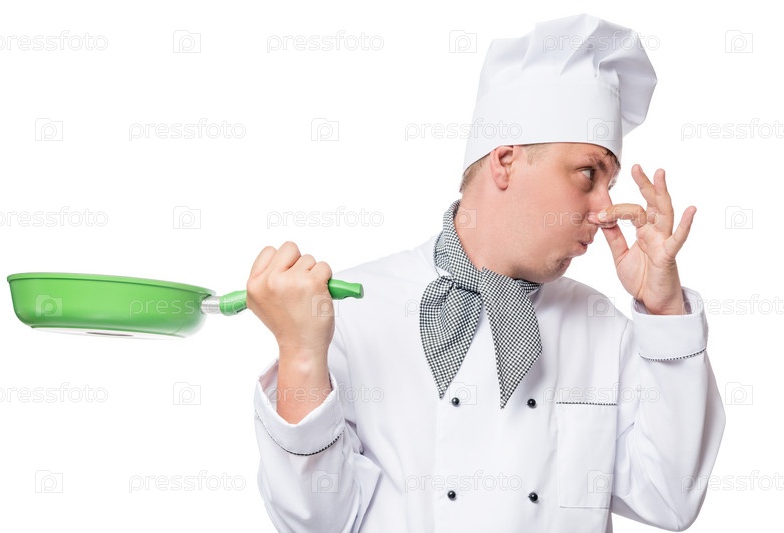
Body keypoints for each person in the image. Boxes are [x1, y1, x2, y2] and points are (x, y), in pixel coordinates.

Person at [246, 13, 726, 533]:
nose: (605, 209)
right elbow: (315, 521)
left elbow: (671, 499)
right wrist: (300, 354)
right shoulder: (352, 314)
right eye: (588, 174)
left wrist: (665, 312)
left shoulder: (602, 327)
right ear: (505, 161)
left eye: (609, 185)